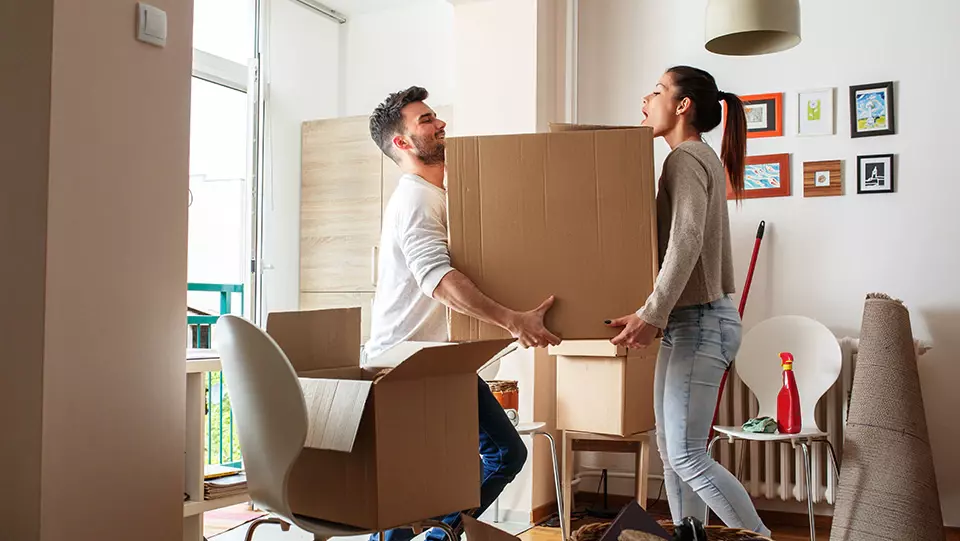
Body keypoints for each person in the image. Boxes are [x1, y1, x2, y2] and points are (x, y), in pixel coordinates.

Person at [363, 85, 562, 541]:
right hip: (405, 365)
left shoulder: (444, 198)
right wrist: (513, 320)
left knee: (500, 456)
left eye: (436, 117)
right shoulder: (416, 198)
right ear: (401, 142)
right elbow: (439, 280)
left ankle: (439, 535)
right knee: (416, 484)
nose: (440, 124)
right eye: (426, 121)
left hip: (440, 363)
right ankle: (435, 535)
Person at [605, 66, 771, 536]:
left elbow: (687, 239)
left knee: (685, 454)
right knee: (672, 451)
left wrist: (650, 312)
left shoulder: (685, 158)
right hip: (689, 324)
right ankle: (688, 535)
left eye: (656, 90)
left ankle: (760, 539)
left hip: (700, 323)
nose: (645, 97)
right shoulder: (692, 158)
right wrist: (658, 314)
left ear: (682, 106)